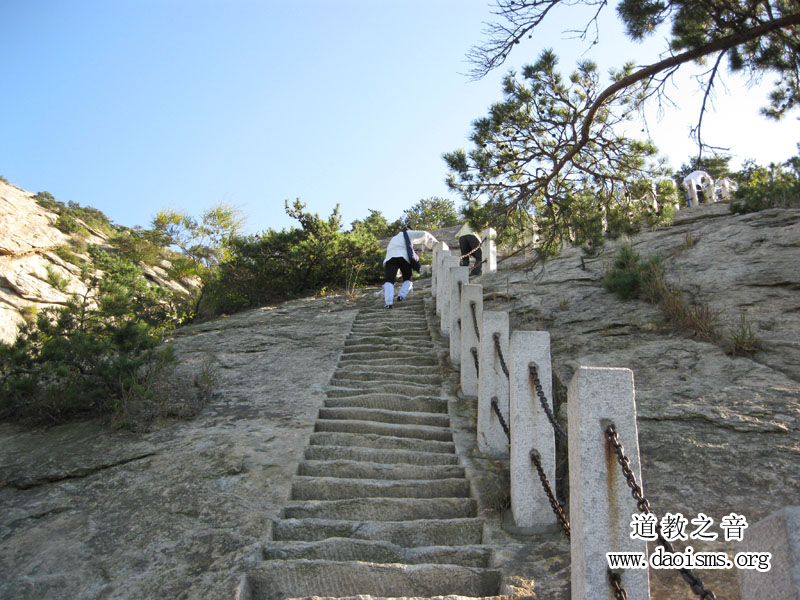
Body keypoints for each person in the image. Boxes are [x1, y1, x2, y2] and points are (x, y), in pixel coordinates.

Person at [381, 227, 438, 309]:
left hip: (390, 259)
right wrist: (435, 244)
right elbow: (424, 234)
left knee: (389, 280)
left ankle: (388, 303)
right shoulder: (408, 233)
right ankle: (401, 296)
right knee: (408, 278)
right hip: (403, 257)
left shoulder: (394, 238)